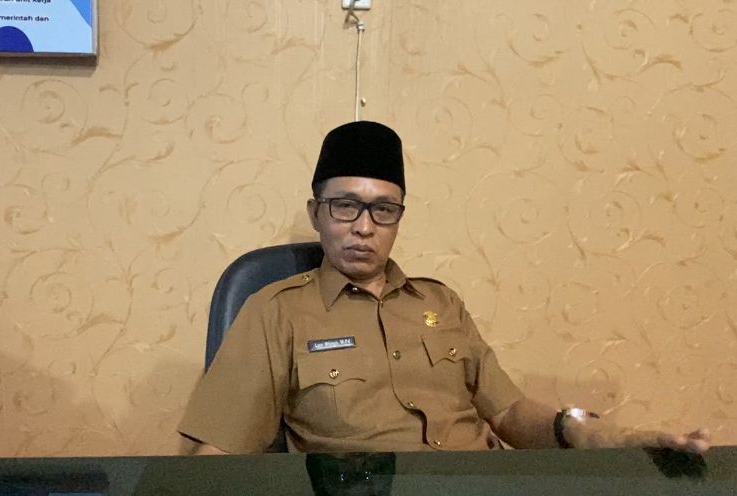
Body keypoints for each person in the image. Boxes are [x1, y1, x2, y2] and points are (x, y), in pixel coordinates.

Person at [178, 121, 711, 455]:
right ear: (316, 214)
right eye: (345, 206)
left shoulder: (440, 303)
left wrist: (590, 433)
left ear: (398, 220)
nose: (363, 227)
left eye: (383, 210)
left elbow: (508, 413)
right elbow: (217, 455)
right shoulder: (278, 311)